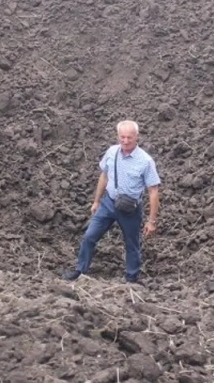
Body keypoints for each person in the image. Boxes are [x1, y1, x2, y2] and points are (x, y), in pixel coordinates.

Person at [63, 120, 161, 284]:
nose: (125, 141)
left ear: (137, 137)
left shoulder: (145, 161)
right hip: (108, 202)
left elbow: (153, 191)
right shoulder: (112, 152)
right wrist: (96, 201)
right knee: (89, 236)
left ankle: (131, 278)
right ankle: (80, 270)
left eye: (129, 137)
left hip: (130, 208)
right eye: (122, 137)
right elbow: (104, 176)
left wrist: (152, 221)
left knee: (132, 244)